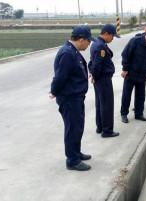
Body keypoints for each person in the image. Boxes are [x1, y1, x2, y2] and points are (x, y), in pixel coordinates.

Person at [49, 25, 97, 171]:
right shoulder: (68, 53)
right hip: (69, 98)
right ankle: (72, 160)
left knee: (78, 127)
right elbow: (60, 76)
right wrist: (54, 91)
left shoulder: (73, 51)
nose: (89, 44)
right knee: (72, 128)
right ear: (81, 39)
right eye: (88, 41)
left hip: (76, 97)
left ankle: (76, 152)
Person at [120, 28, 146, 123]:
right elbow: (125, 55)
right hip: (131, 73)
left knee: (141, 95)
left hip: (142, 74)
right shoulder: (135, 41)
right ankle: (124, 114)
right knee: (127, 95)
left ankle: (139, 114)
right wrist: (125, 69)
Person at [88, 24, 120, 138]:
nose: (112, 39)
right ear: (106, 34)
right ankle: (107, 130)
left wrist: (93, 74)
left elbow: (91, 62)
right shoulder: (100, 46)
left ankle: (100, 126)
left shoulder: (97, 43)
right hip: (103, 79)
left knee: (100, 103)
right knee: (107, 104)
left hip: (99, 79)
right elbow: (96, 64)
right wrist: (95, 76)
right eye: (112, 36)